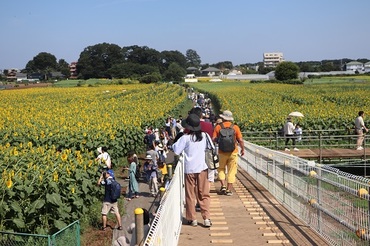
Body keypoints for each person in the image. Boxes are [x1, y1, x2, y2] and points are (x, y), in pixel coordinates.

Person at [172, 113, 213, 227]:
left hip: (189, 169)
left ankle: (192, 218)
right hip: (203, 168)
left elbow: (175, 150)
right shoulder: (205, 136)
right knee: (204, 194)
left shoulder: (185, 138)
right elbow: (211, 148)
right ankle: (206, 218)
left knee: (190, 195)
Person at [213, 110, 244, 196]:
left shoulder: (218, 127)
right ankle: (229, 190)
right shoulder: (235, 127)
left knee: (221, 169)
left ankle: (223, 186)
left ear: (222, 118)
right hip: (233, 152)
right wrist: (242, 149)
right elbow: (240, 140)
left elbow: (213, 139)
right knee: (231, 171)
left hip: (222, 152)